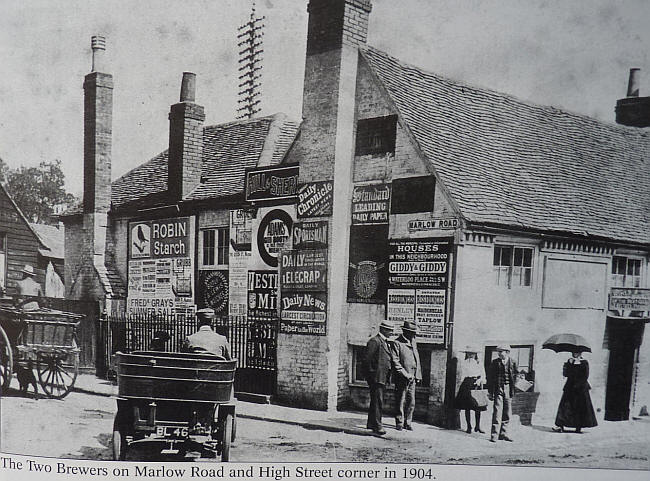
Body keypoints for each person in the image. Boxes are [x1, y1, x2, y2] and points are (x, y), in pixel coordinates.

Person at [363, 320, 396, 435]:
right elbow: (366, 361)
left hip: (381, 377)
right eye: (390, 330)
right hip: (376, 378)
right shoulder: (375, 341)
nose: (391, 333)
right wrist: (371, 377)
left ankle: (371, 423)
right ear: (383, 330)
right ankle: (378, 426)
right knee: (378, 402)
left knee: (375, 401)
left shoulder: (385, 342)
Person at [553, 351, 597, 433]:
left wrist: (578, 385)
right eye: (573, 352)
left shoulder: (584, 362)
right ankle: (561, 426)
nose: (574, 354)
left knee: (580, 408)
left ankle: (578, 427)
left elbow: (585, 375)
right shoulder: (570, 361)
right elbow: (566, 374)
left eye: (576, 352)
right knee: (565, 407)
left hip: (581, 388)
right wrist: (568, 365)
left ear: (580, 353)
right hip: (570, 387)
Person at [392, 320, 421, 431]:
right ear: (406, 332)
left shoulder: (413, 342)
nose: (414, 335)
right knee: (400, 400)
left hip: (412, 378)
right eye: (412, 332)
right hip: (402, 378)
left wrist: (418, 375)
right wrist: (405, 374)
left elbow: (416, 358)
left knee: (411, 401)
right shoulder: (397, 343)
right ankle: (399, 422)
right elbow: (395, 362)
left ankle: (408, 422)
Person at [487, 344, 517, 443]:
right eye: (498, 352)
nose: (499, 353)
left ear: (507, 352)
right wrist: (490, 392)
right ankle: (494, 435)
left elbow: (516, 375)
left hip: (508, 388)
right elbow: (490, 378)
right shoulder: (494, 363)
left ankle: (503, 434)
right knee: (497, 411)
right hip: (498, 388)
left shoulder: (513, 362)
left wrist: (516, 385)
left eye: (501, 351)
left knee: (507, 412)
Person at [455, 346, 487, 434]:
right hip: (466, 384)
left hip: (476, 383)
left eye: (472, 353)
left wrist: (479, 381)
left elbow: (483, 375)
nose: (470, 355)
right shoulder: (464, 363)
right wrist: (461, 385)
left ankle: (478, 426)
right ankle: (469, 426)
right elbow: (462, 375)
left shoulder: (479, 363)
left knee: (478, 406)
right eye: (468, 353)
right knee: (467, 407)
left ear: (475, 354)